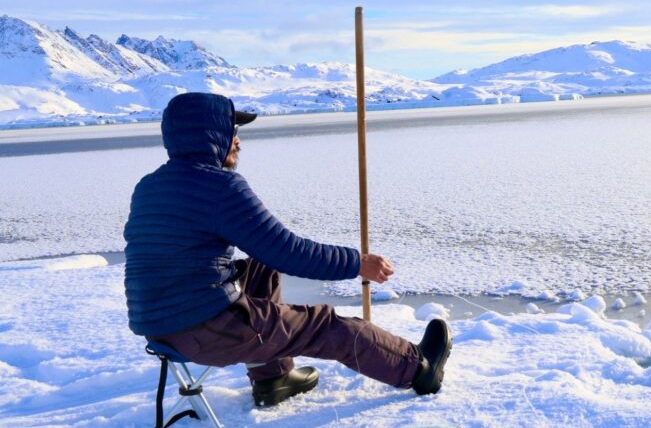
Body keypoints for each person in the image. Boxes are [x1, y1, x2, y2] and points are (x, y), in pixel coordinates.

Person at [123, 92, 450, 407]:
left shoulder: (149, 186)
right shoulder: (219, 187)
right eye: (232, 131)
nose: (237, 140)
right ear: (211, 134)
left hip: (161, 329)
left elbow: (264, 254)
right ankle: (418, 369)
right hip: (207, 330)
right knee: (325, 327)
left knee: (260, 267)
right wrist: (357, 263)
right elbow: (288, 251)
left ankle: (274, 378)